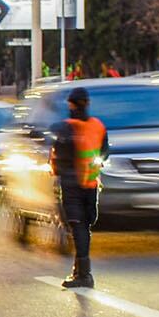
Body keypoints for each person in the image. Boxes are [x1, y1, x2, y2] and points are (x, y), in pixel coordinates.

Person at [49, 87, 108, 289]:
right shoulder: (98, 126)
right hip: (91, 185)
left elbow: (55, 138)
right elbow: (105, 152)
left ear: (71, 104)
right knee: (85, 228)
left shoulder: (67, 127)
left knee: (78, 227)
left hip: (72, 186)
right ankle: (80, 271)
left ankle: (84, 274)